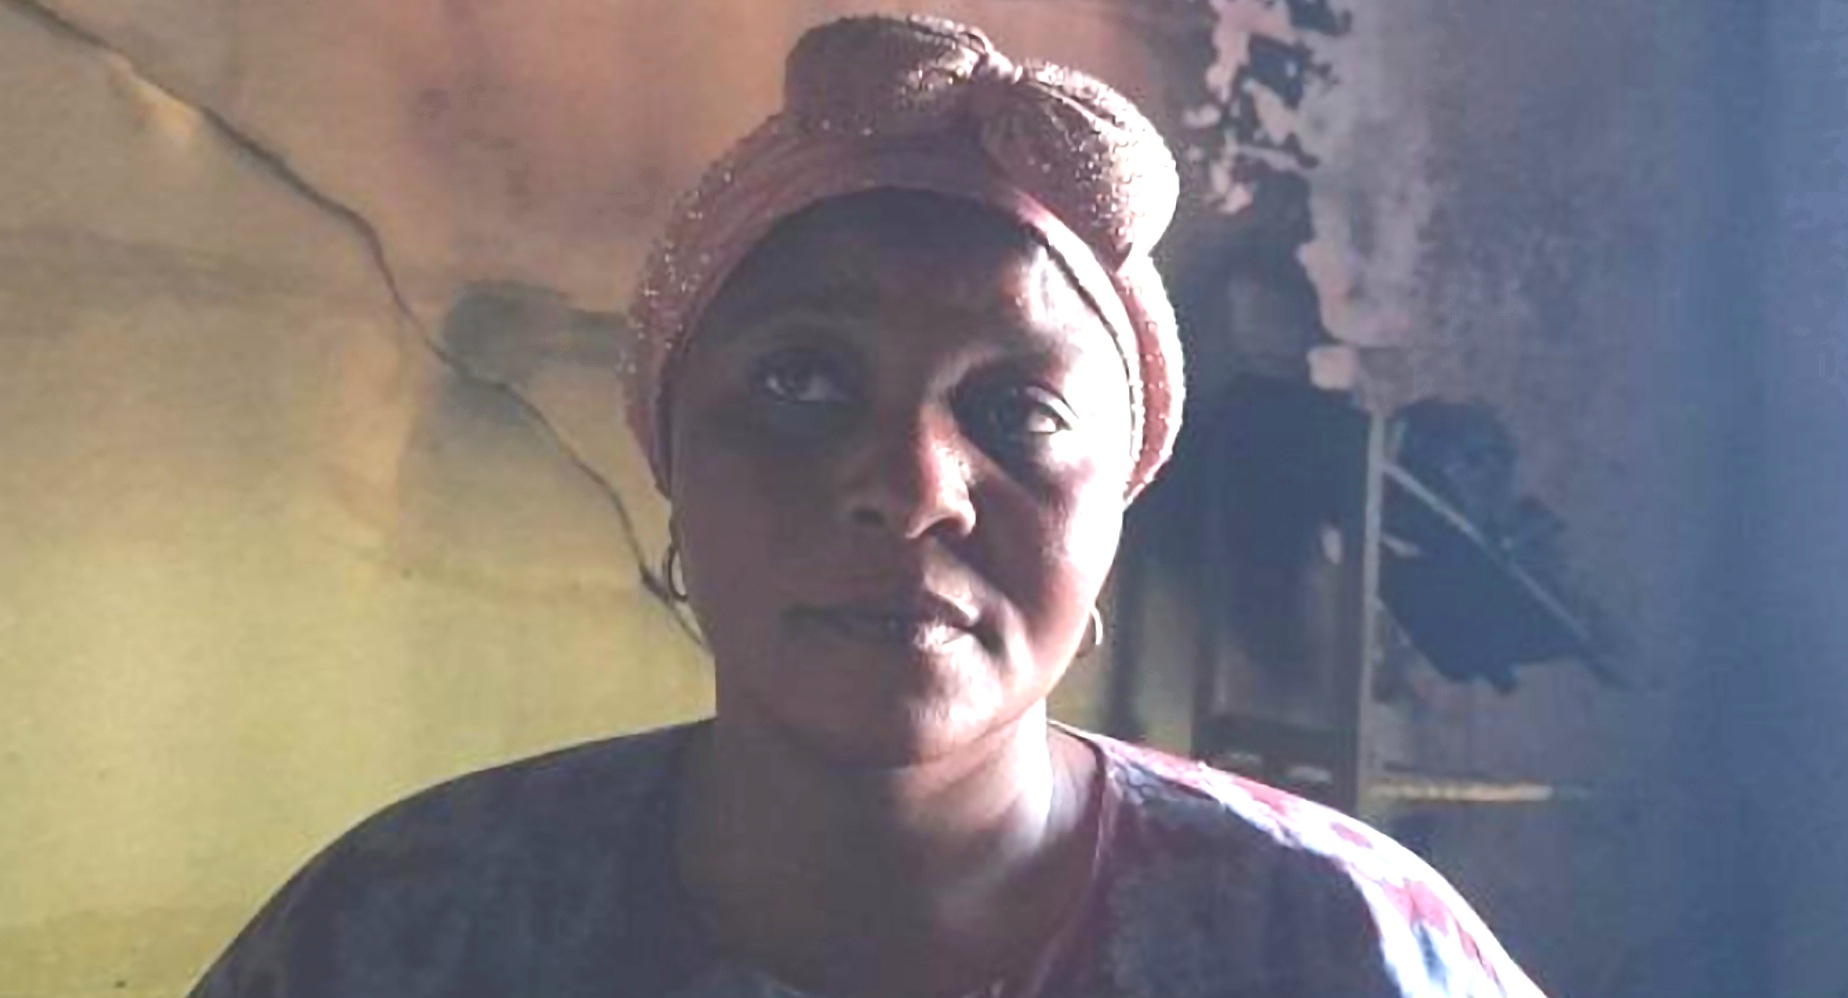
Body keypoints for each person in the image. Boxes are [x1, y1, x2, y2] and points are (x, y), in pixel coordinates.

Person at [189, 15, 1546, 998]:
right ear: (669, 453)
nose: (910, 489)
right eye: (801, 382)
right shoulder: (407, 929)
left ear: (1118, 506)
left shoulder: (1341, 942)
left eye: (1018, 411)